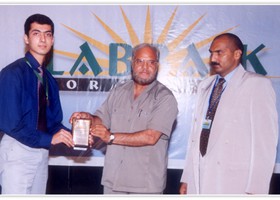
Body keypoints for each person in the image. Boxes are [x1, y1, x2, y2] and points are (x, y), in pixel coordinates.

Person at [70, 43, 178, 194]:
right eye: (140, 61)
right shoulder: (119, 91)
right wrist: (87, 118)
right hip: (113, 181)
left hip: (144, 187)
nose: (145, 67)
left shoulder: (165, 98)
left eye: (151, 62)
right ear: (132, 63)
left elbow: (151, 137)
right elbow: (101, 119)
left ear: (157, 65)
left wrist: (111, 137)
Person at [179, 33, 278, 194]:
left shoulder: (257, 84)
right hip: (200, 180)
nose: (213, 58)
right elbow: (195, 138)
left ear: (237, 54)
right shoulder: (206, 85)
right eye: (211, 53)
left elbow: (265, 145)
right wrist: (188, 178)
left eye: (219, 53)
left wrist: (256, 191)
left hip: (235, 183)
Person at [0, 14, 74, 194]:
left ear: (53, 39)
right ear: (26, 38)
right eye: (36, 33)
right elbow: (12, 125)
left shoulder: (48, 78)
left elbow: (54, 122)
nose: (43, 39)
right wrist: (50, 139)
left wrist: (76, 135)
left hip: (41, 152)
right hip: (18, 150)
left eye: (48, 34)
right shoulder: (12, 73)